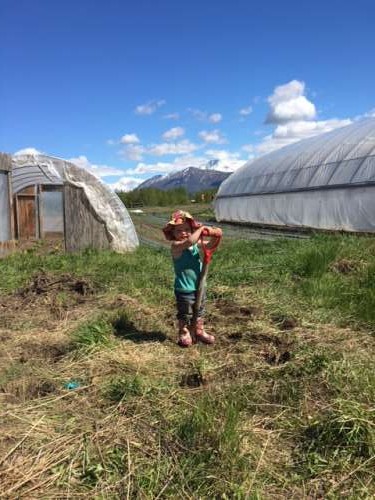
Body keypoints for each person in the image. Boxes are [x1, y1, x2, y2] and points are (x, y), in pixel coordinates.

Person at [163, 210, 222, 347]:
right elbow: (190, 241)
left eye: (187, 229)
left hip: (199, 285)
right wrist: (201, 229)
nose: (184, 233)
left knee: (200, 310)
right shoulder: (176, 247)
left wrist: (216, 235)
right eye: (179, 231)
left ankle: (199, 330)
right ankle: (184, 332)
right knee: (185, 313)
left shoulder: (195, 245)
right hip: (184, 288)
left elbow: (209, 245)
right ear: (172, 233)